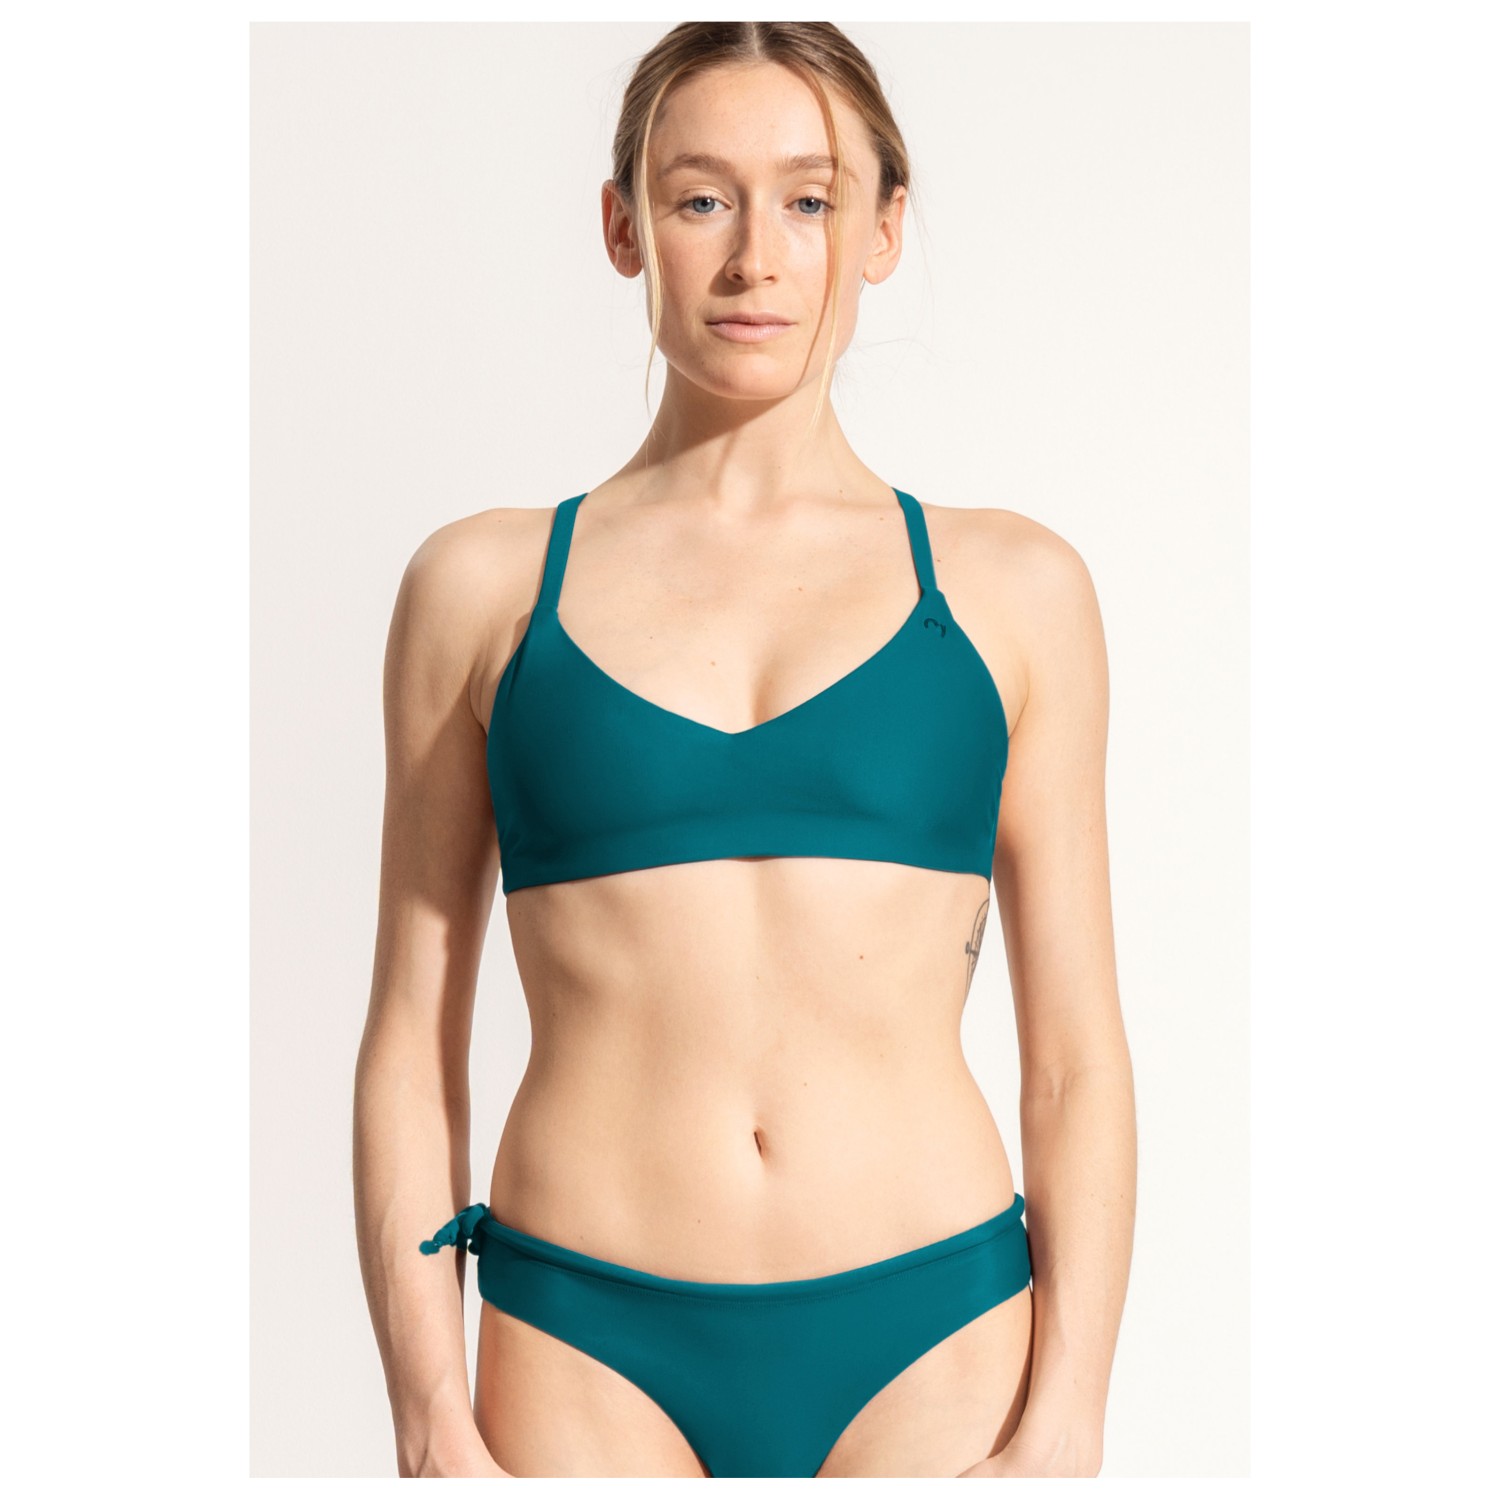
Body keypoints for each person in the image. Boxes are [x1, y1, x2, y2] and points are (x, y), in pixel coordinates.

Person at [353, 20, 1135, 1481]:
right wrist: (426, 1409)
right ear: (623, 226)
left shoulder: (1014, 591)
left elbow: (1077, 1053)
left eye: (811, 198)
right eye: (701, 197)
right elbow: (411, 1029)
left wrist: (1068, 1415)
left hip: (934, 1332)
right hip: (583, 1334)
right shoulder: (483, 588)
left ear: (884, 228)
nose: (755, 258)